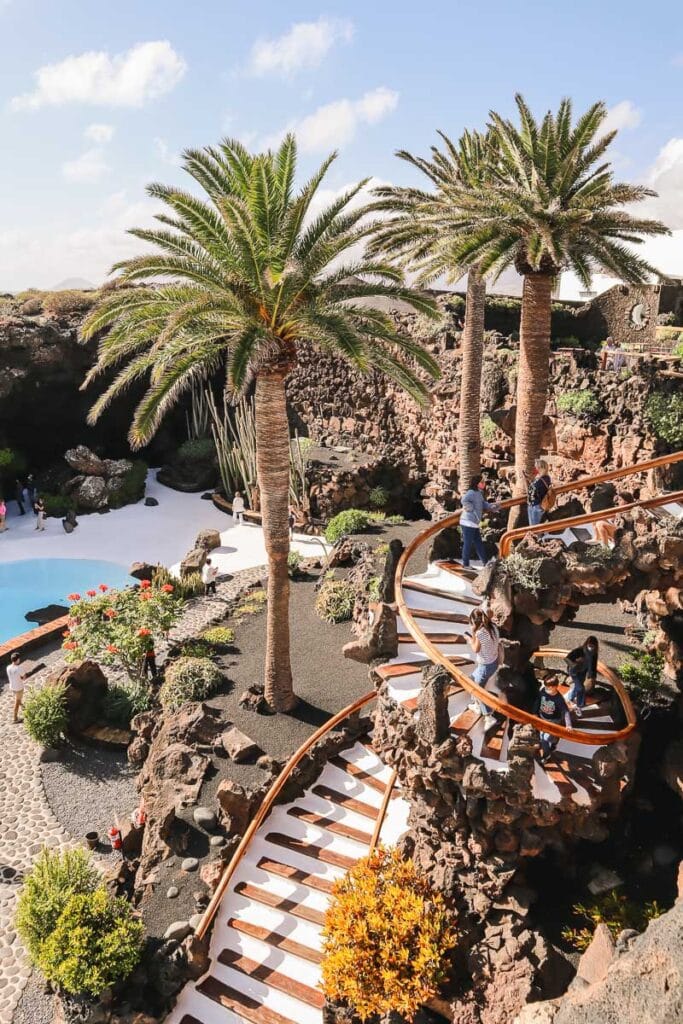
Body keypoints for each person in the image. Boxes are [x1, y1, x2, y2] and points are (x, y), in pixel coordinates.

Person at [466, 607, 501, 730]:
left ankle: (488, 716)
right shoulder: (493, 627)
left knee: (478, 690)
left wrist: (471, 636)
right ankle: (476, 704)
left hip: (485, 666)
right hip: (493, 662)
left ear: (475, 622)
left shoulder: (480, 633)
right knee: (471, 679)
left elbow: (475, 649)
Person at [460, 475, 498, 568]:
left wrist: (492, 506)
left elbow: (483, 504)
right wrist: (470, 508)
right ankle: (465, 564)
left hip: (474, 523)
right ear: (477, 483)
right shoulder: (471, 492)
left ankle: (485, 562)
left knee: (478, 543)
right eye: (482, 482)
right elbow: (464, 500)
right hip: (468, 522)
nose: (484, 484)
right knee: (468, 543)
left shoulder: (478, 493)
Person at [534, 674, 571, 762]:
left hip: (553, 721)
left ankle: (546, 755)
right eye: (546, 687)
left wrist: (569, 725)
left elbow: (565, 711)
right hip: (543, 718)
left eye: (549, 688)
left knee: (545, 739)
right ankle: (554, 742)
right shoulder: (543, 691)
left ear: (555, 687)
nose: (547, 689)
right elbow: (538, 701)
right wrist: (535, 712)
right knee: (542, 736)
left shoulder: (559, 699)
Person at [564, 636, 599, 716]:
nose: (591, 648)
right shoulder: (579, 650)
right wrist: (574, 665)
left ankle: (570, 697)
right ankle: (580, 705)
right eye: (589, 646)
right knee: (581, 688)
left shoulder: (594, 654)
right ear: (586, 644)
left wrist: (592, 675)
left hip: (583, 672)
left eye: (592, 646)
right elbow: (567, 658)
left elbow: (593, 665)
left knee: (577, 686)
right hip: (574, 672)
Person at [527, 460, 552, 527]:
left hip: (537, 505)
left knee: (535, 528)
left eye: (537, 467)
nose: (535, 468)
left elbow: (540, 490)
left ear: (541, 468)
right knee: (532, 527)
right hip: (531, 504)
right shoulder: (538, 478)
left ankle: (539, 537)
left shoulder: (545, 478)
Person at [7, 652, 28, 723]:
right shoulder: (19, 668)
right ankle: (15, 718)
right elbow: (24, 677)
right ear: (18, 659)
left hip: (12, 687)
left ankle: (25, 708)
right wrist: (21, 679)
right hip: (19, 687)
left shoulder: (8, 668)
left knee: (18, 699)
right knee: (17, 702)